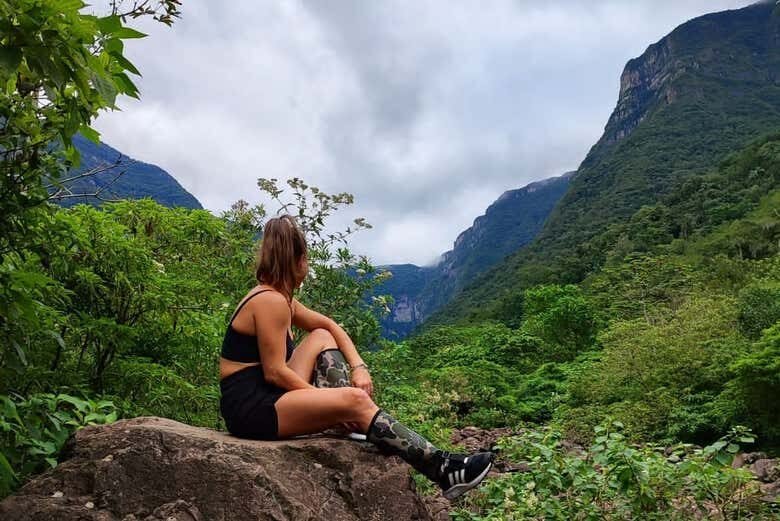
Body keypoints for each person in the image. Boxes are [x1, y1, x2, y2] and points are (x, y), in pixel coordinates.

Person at [219, 214, 494, 500]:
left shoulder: (281, 299)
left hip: (266, 395)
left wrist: (359, 367)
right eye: (307, 259)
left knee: (321, 336)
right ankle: (442, 468)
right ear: (298, 261)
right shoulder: (270, 302)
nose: (308, 266)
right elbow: (275, 372)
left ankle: (346, 417)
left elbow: (330, 326)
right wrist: (332, 401)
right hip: (251, 409)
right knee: (355, 400)